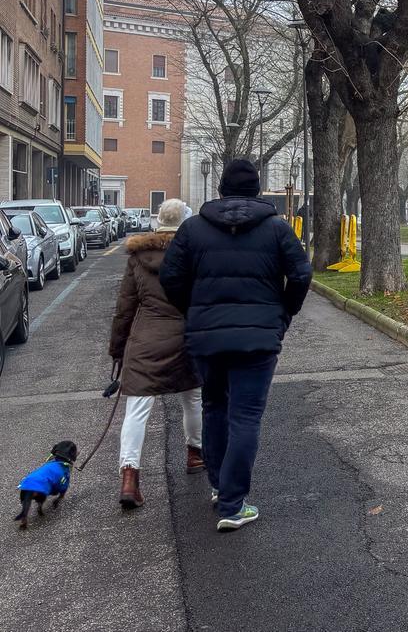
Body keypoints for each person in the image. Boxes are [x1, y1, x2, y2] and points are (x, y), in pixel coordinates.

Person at [160, 159, 312, 532]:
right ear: (257, 189)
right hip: (259, 340)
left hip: (207, 338)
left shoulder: (193, 229)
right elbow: (302, 272)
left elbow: (170, 276)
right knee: (245, 416)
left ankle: (218, 486)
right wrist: (283, 313)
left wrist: (193, 311)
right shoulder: (276, 228)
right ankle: (233, 502)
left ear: (222, 188)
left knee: (214, 407)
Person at [110, 199, 203, 510]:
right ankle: (194, 454)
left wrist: (117, 348)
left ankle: (129, 477)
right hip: (186, 336)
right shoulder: (192, 253)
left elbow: (125, 308)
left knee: (137, 409)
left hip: (146, 338)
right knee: (193, 398)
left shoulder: (138, 256)